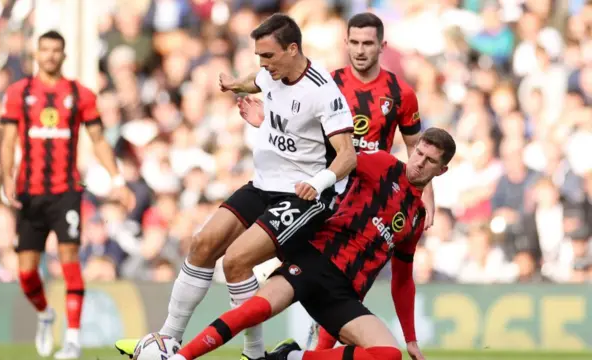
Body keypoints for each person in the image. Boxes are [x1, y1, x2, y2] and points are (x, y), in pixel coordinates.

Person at [115, 13, 356, 360]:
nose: (263, 64)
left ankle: (253, 354)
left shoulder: (322, 91)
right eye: (258, 56)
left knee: (237, 260)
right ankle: (168, 339)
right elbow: (256, 81)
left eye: (268, 56)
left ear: (292, 49)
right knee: (202, 244)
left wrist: (317, 183)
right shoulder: (271, 73)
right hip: (263, 185)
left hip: (301, 195)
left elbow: (347, 157)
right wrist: (235, 85)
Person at [159, 127, 456, 360]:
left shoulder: (416, 216)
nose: (419, 163)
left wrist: (411, 339)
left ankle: (290, 356)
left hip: (343, 295)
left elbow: (403, 280)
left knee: (387, 355)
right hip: (314, 261)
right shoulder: (381, 163)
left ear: (441, 171)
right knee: (254, 311)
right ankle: (182, 357)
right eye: (419, 153)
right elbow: (333, 159)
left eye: (430, 161)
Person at [236, 12, 436, 350]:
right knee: (301, 265)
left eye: (368, 43)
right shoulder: (329, 83)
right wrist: (265, 123)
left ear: (382, 46)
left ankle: (303, 350)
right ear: (346, 44)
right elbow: (300, 128)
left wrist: (427, 199)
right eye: (354, 43)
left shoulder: (401, 93)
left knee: (346, 286)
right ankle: (264, 347)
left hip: (368, 201)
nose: (360, 50)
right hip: (326, 190)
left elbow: (417, 150)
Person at [0, 30, 134, 360]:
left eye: (55, 50)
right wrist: (6, 178)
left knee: (70, 260)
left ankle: (72, 339)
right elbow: (6, 140)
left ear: (64, 55)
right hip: (30, 193)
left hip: (66, 191)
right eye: (44, 50)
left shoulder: (80, 94)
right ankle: (46, 314)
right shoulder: (19, 92)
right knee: (27, 272)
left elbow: (99, 139)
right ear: (36, 53)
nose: (49, 55)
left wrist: (117, 177)